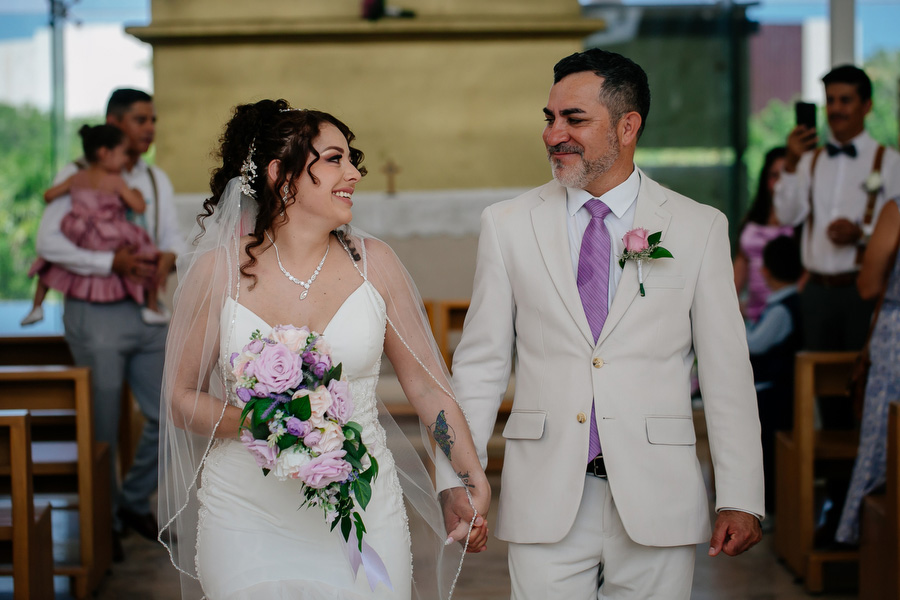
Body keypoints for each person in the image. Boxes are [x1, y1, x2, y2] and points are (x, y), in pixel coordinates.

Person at [437, 49, 763, 599]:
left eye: (574, 119)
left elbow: (726, 370)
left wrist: (741, 495)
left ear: (627, 126)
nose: (553, 134)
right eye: (549, 118)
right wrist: (458, 479)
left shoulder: (698, 227)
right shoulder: (508, 224)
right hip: (545, 492)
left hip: (658, 491)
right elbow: (481, 366)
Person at [157, 100, 490, 599]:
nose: (354, 173)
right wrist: (272, 422)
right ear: (281, 175)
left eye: (351, 160)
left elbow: (428, 388)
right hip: (246, 513)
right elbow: (181, 398)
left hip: (362, 508)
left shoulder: (375, 264)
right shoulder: (216, 272)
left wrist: (469, 479)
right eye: (335, 159)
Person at [35, 88, 184, 558]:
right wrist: (108, 263)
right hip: (95, 310)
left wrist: (168, 257)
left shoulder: (155, 179)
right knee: (102, 422)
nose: (150, 128)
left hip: (147, 309)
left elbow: (172, 235)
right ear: (112, 124)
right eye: (141, 119)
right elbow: (48, 242)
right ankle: (104, 525)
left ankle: (132, 502)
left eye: (153, 119)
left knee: (172, 411)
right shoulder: (77, 175)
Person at [773, 65, 900, 351]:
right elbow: (786, 216)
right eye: (830, 100)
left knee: (861, 371)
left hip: (864, 289)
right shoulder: (810, 161)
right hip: (816, 292)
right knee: (815, 374)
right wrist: (791, 164)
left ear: (867, 106)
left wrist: (861, 235)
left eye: (845, 100)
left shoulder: (890, 162)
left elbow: (897, 233)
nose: (836, 109)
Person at [23, 124, 168, 328]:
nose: (126, 160)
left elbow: (48, 195)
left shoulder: (76, 177)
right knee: (149, 252)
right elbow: (139, 207)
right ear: (104, 153)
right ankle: (152, 307)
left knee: (50, 261)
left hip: (79, 231)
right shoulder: (115, 181)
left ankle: (37, 306)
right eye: (123, 153)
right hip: (107, 234)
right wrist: (137, 193)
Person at [835, 195, 900, 544]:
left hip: (896, 338)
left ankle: (870, 544)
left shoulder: (897, 208)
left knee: (883, 443)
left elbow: (869, 285)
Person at [746, 235, 804, 517]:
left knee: (767, 451)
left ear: (765, 270)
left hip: (773, 392)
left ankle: (769, 508)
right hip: (776, 390)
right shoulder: (787, 303)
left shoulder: (781, 309)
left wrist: (737, 321)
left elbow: (755, 344)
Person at [733, 147, 796, 322]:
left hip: (786, 312)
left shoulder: (800, 219)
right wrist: (729, 303)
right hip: (751, 313)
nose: (779, 183)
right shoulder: (753, 218)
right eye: (774, 175)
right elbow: (741, 264)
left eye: (785, 176)